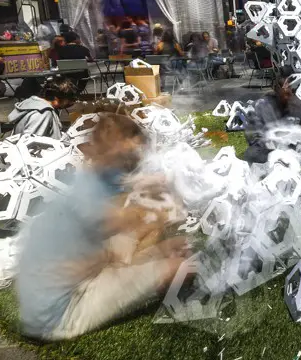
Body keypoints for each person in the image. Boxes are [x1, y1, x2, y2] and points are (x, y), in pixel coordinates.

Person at [16, 114, 190, 341]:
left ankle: (139, 272)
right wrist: (155, 223)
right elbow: (83, 263)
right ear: (116, 151)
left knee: (158, 238)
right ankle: (167, 302)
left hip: (62, 287)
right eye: (131, 152)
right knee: (180, 264)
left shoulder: (91, 178)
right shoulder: (90, 198)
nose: (137, 158)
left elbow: (123, 190)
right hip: (60, 315)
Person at [243, 66, 301, 163]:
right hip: (270, 147)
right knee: (252, 153)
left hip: (294, 145)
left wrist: (300, 133)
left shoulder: (297, 103)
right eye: (284, 88)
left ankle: (296, 155)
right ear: (276, 89)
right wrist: (270, 139)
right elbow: (252, 134)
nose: (288, 92)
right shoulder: (262, 104)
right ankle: (290, 157)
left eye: (290, 89)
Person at [8, 75, 77, 138]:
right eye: (69, 100)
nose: (71, 102)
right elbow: (31, 144)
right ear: (56, 99)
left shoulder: (32, 103)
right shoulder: (42, 114)